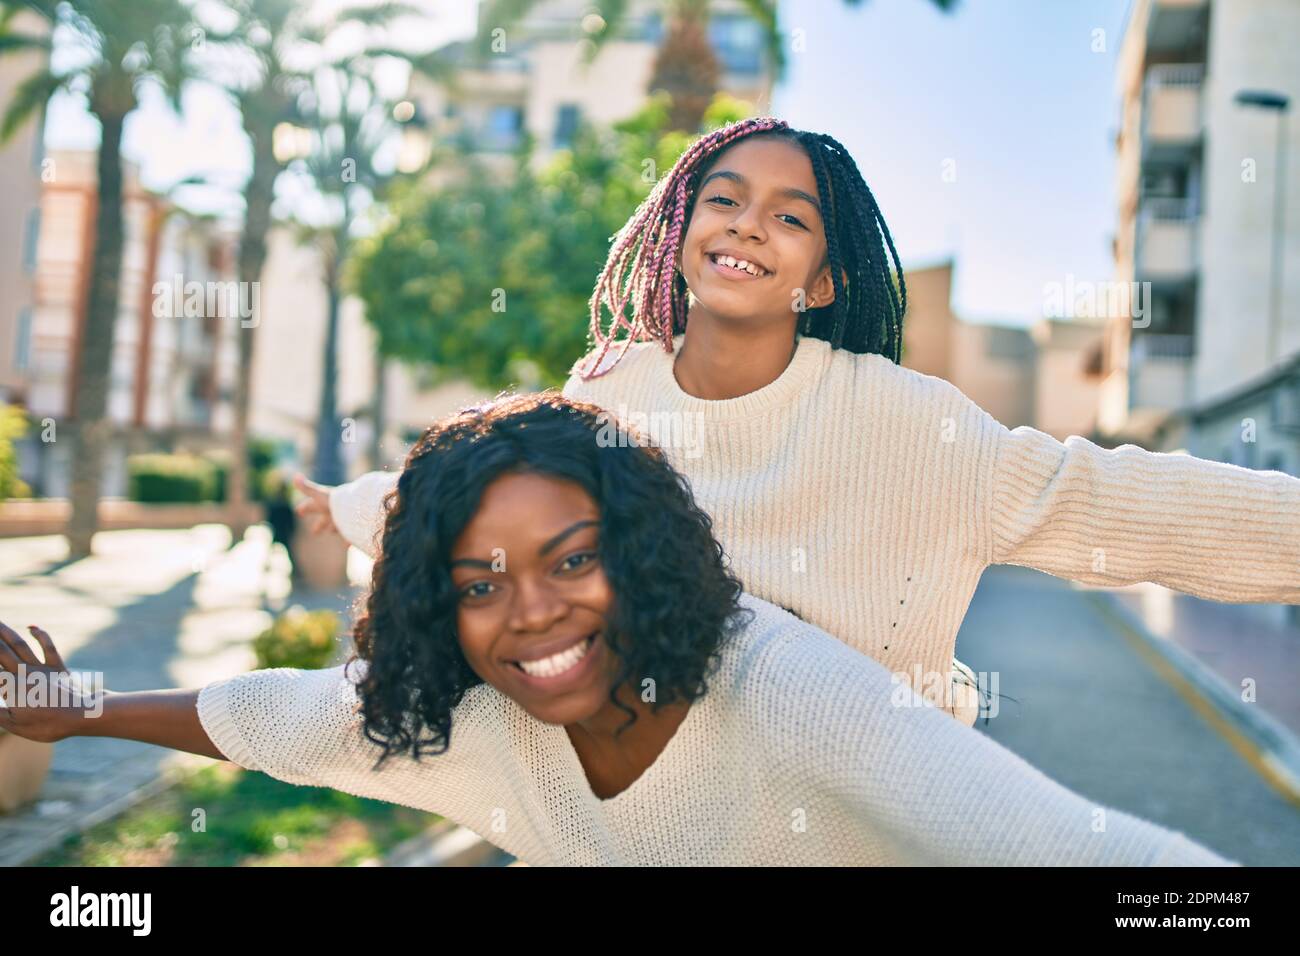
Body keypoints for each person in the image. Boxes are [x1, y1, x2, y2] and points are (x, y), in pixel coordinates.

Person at [297, 116, 1300, 729]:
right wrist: (339, 508)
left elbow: (1107, 498)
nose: (743, 223)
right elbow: (471, 502)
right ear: (679, 235)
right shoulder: (604, 399)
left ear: (823, 280)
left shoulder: (904, 423)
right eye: (722, 199)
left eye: (788, 215)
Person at [0, 394, 1236, 866]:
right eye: (480, 582)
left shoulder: (785, 689)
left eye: (573, 561)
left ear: (640, 555)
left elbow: (1078, 849)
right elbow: (282, 718)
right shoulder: (475, 718)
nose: (530, 612)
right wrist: (82, 708)